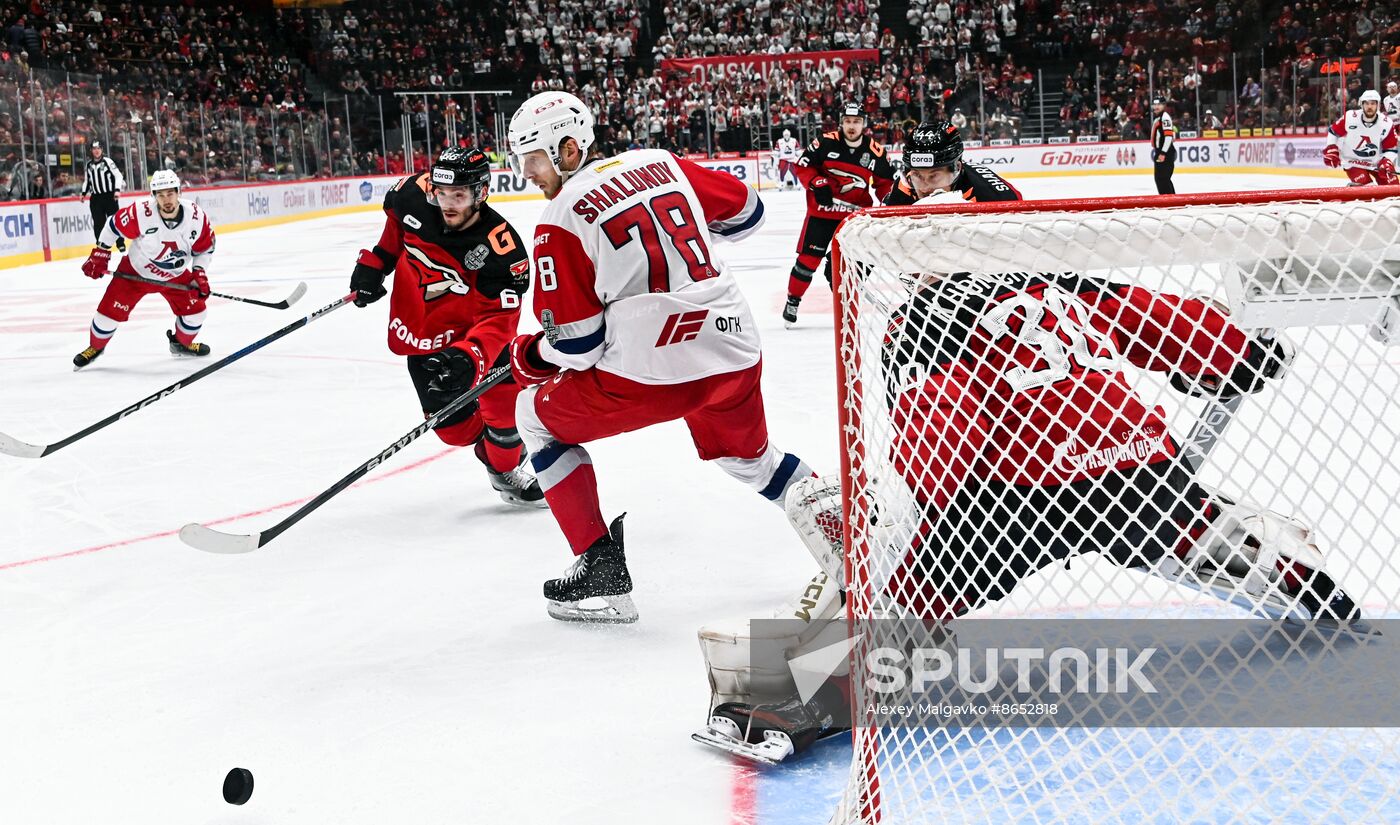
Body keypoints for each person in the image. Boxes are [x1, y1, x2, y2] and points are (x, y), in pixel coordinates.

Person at [697, 249, 1366, 763]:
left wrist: (911, 524)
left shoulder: (923, 316)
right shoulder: (1056, 280)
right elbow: (1161, 318)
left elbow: (943, 427)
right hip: (1136, 461)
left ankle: (807, 702)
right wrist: (1243, 352)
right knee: (1182, 523)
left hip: (1018, 492)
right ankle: (1283, 566)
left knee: (914, 600)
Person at [505, 90, 816, 624]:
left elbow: (578, 348)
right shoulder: (661, 162)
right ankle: (850, 537)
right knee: (748, 459)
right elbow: (748, 214)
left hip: (651, 371)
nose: (528, 173)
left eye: (533, 158)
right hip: (732, 348)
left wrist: (531, 353)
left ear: (570, 147)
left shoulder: (558, 219)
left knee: (533, 417)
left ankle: (598, 571)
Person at [349, 147, 543, 506]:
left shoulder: (502, 248)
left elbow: (500, 318)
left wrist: (470, 356)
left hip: (482, 342)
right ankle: (488, 446)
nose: (449, 203)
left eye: (460, 195)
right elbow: (396, 229)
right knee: (455, 433)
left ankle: (503, 469)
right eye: (442, 193)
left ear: (482, 193)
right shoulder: (411, 196)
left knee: (505, 419)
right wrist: (376, 263)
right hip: (424, 331)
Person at [75, 171, 215, 369]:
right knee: (106, 317)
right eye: (161, 194)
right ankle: (95, 348)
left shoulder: (196, 217)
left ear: (179, 192)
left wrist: (199, 272)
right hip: (135, 272)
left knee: (197, 313)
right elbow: (112, 226)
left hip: (175, 275)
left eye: (170, 193)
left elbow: (205, 249)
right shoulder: (141, 213)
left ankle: (181, 344)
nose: (166, 199)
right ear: (154, 195)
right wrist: (101, 252)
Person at [783, 102, 896, 327]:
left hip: (852, 220)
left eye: (856, 122)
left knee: (855, 264)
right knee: (807, 262)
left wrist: (890, 203)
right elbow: (803, 166)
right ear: (841, 122)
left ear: (864, 124)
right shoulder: (824, 143)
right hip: (822, 214)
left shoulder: (875, 151)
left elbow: (885, 184)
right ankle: (792, 301)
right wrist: (817, 182)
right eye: (847, 121)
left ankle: (847, 299)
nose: (852, 126)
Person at [882, 119, 1021, 205]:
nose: (924, 189)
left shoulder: (995, 197)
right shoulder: (903, 188)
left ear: (957, 169)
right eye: (917, 176)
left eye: (934, 176)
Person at [1324, 90, 1398, 186]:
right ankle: (1356, 186)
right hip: (1353, 162)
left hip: (1376, 163)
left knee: (1394, 188)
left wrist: (1387, 161)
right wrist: (1331, 147)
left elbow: (1391, 149)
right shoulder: (1350, 117)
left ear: (1378, 105)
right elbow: (1333, 132)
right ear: (1361, 104)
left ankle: (1355, 187)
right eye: (1366, 103)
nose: (1369, 107)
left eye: (1372, 103)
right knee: (1368, 189)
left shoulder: (1386, 123)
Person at [81, 142, 126, 252]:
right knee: (98, 223)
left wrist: (117, 190)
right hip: (96, 198)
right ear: (91, 150)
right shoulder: (89, 165)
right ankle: (100, 244)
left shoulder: (108, 162)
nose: (96, 151)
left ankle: (120, 243)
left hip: (110, 196)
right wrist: (83, 193)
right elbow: (88, 180)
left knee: (115, 220)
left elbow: (118, 176)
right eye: (94, 148)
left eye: (98, 148)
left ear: (102, 150)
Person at [1150, 96, 1177, 194]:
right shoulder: (1160, 117)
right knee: (1162, 178)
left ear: (1164, 105)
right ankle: (1170, 200)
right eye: (1155, 104)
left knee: (1162, 178)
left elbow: (1168, 137)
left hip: (1165, 152)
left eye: (1159, 104)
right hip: (1162, 151)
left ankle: (1168, 201)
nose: (1156, 107)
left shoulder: (1164, 117)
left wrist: (1162, 153)